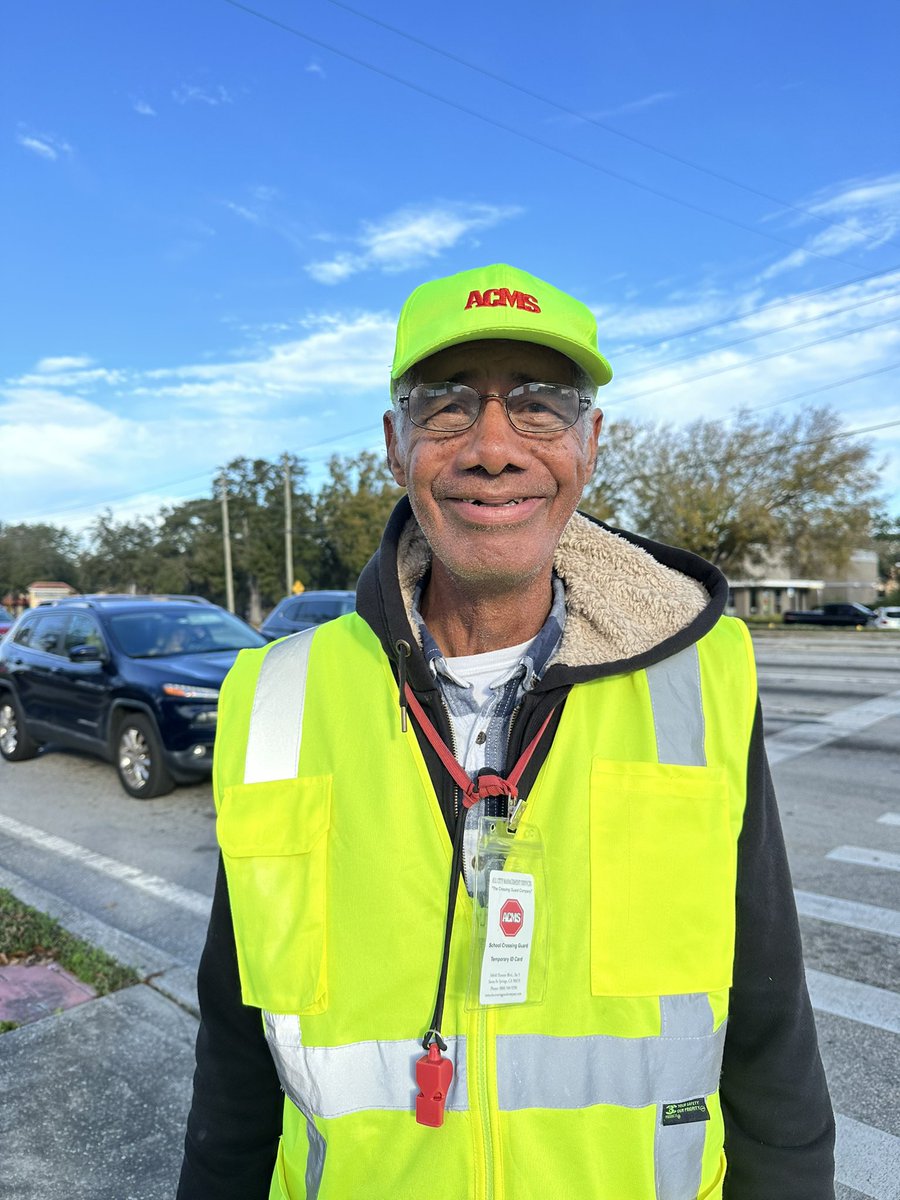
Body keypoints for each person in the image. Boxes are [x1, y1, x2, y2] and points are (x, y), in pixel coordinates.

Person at [177, 263, 834, 1199]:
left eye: (540, 406)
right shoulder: (273, 694)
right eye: (447, 406)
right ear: (394, 445)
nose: (494, 447)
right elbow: (237, 1052)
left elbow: (771, 1027)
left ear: (590, 442)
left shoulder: (703, 677)